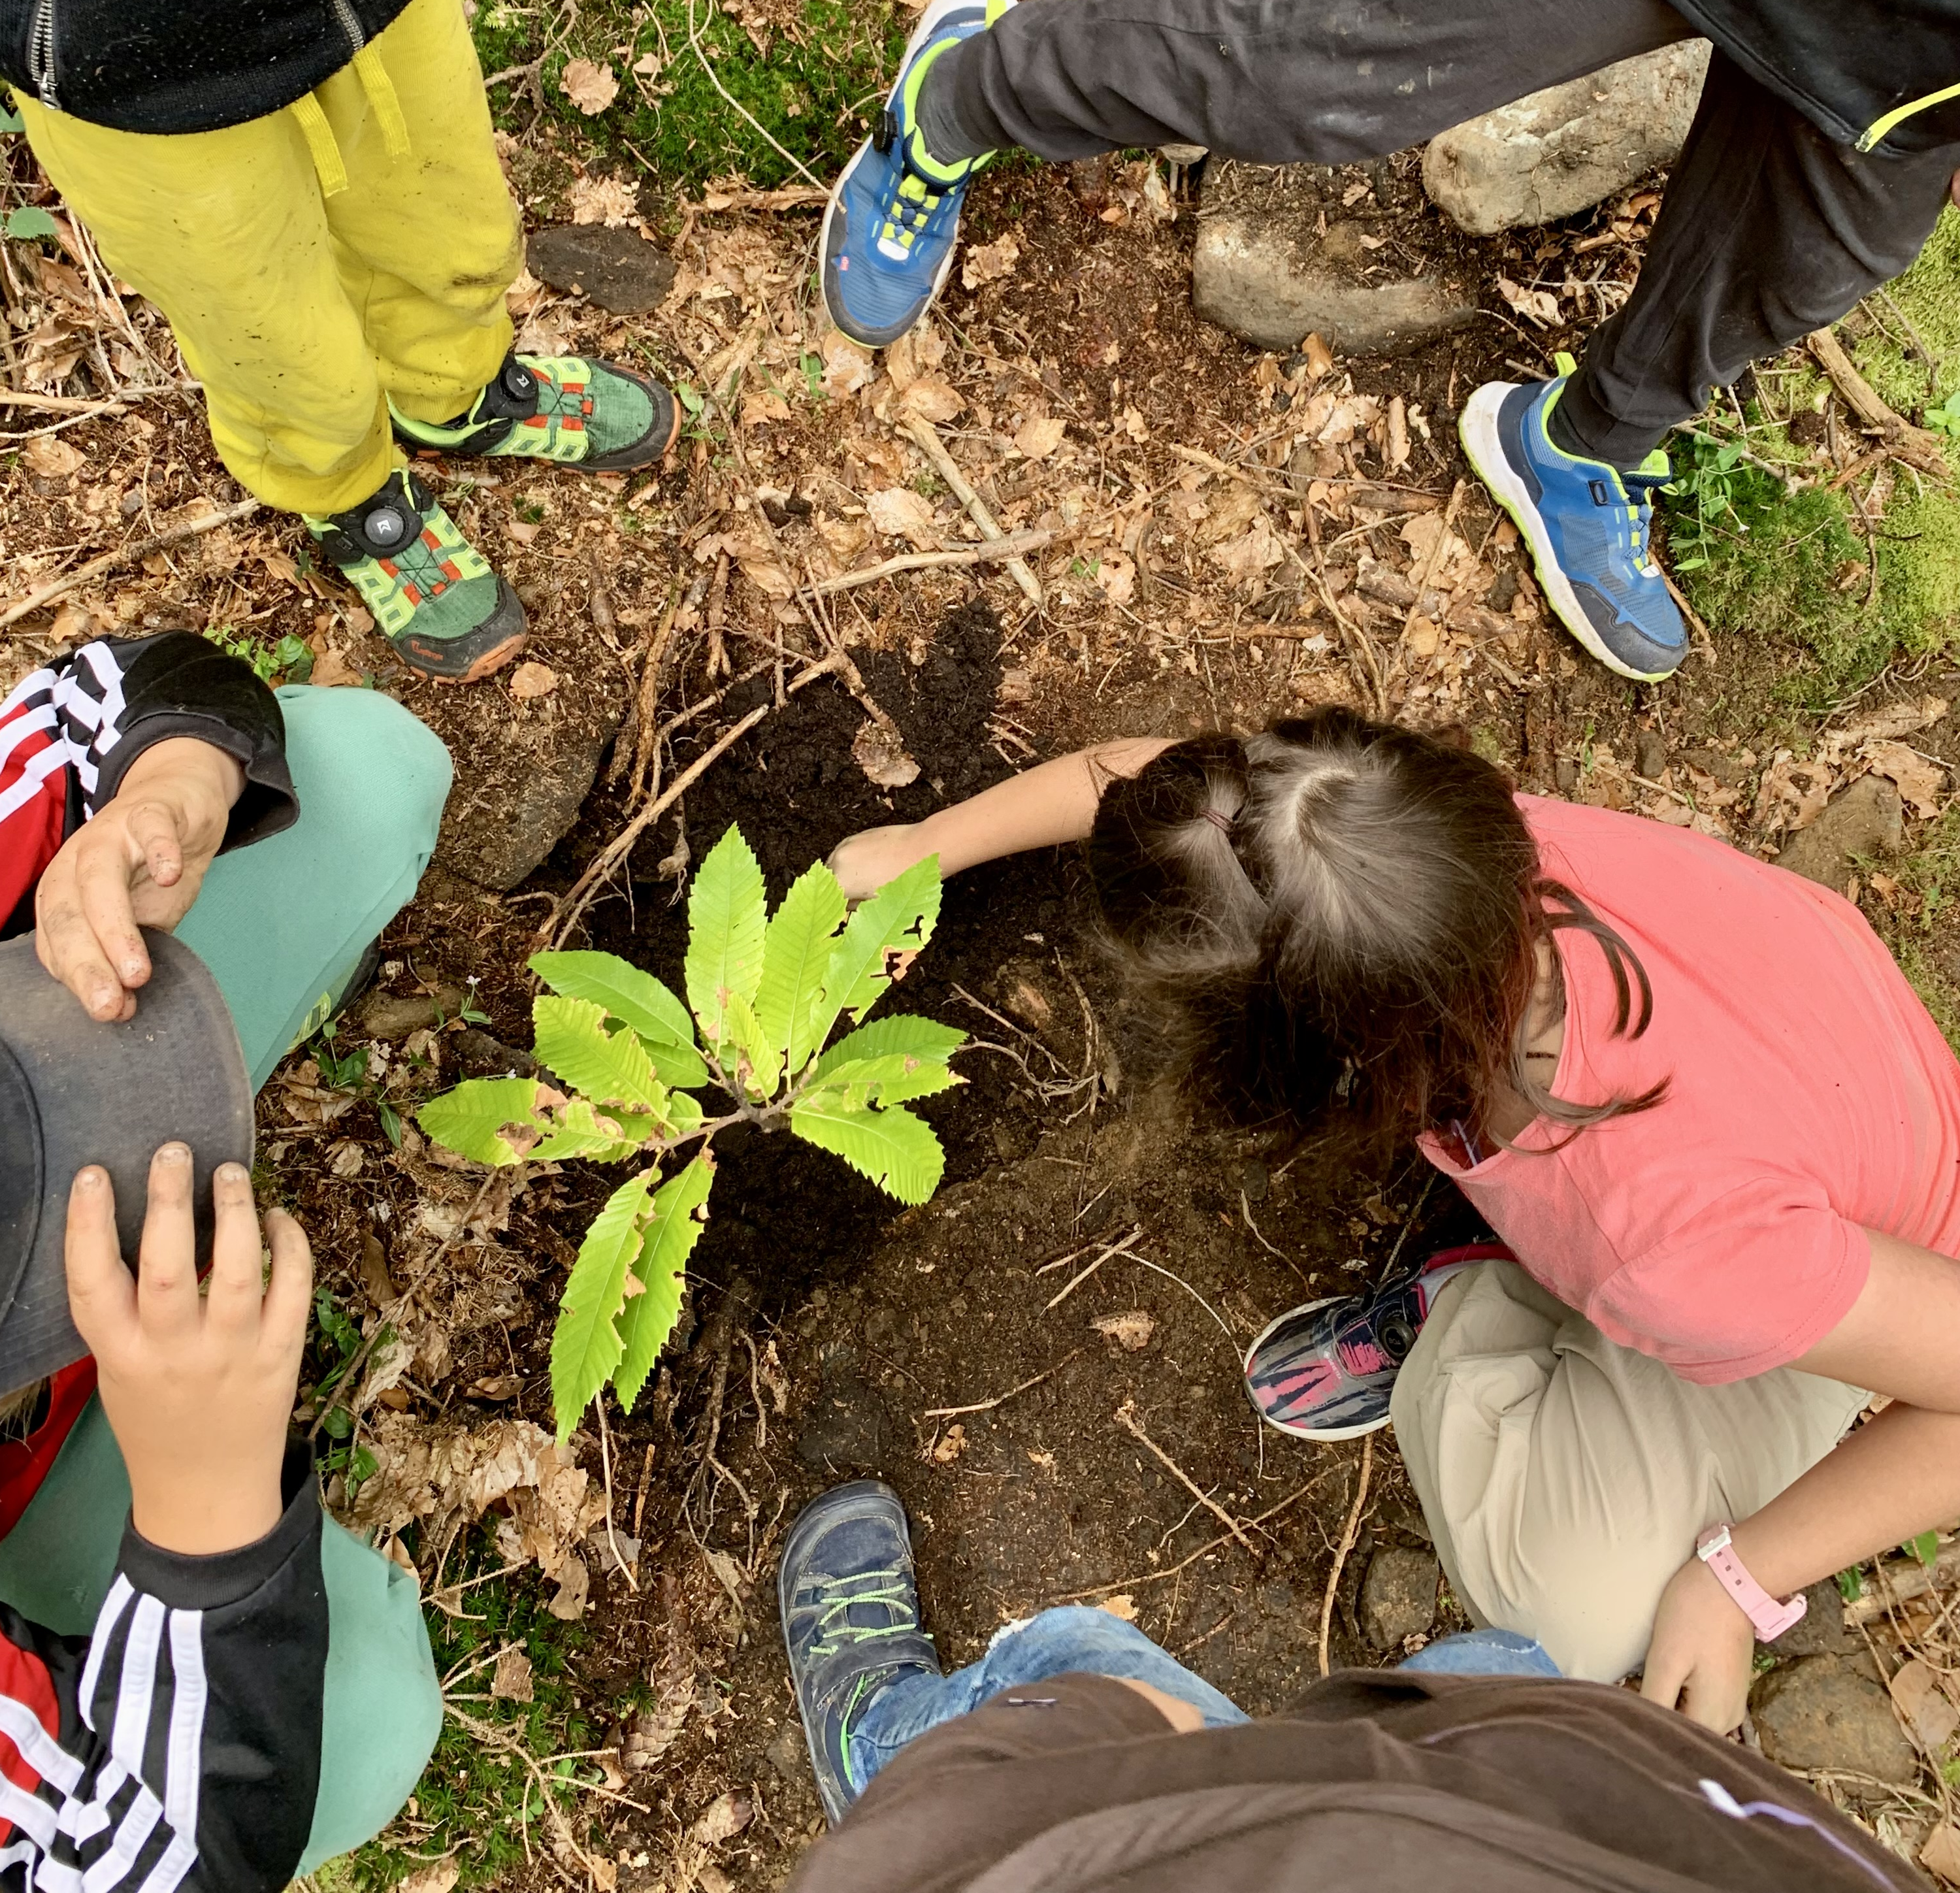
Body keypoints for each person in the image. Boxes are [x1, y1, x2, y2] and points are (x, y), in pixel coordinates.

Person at [826, 707, 1960, 1734]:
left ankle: (1465, 1307)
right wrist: (924, 843)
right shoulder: (1442, 862)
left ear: (1332, 1068)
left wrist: (1738, 1576)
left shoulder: (1674, 1246)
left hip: (1849, 1284)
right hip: (1827, 1099)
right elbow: (1210, 810)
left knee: (1564, 1609)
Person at [818, 0, 1960, 685]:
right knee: (1324, 68)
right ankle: (961, 95)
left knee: (1809, 261)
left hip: (1908, 60)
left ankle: (1579, 443)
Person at [0, 628, 453, 1885]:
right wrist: (204, 1525)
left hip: (49, 1001)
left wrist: (170, 787)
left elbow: (112, 686)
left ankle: (197, 1033)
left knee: (366, 771)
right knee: (360, 1712)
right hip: (33, 1513)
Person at [774, 1477, 1919, 1892]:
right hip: (1528, 1776)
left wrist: (1117, 1725)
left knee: (1068, 1657)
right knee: (1490, 1661)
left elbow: (931, 1855)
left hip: (1250, 1817)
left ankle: (875, 1739)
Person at [1, 0, 680, 683]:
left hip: (368, 11)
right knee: (264, 329)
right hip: (127, 63)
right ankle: (345, 489)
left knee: (447, 220)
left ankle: (456, 391)